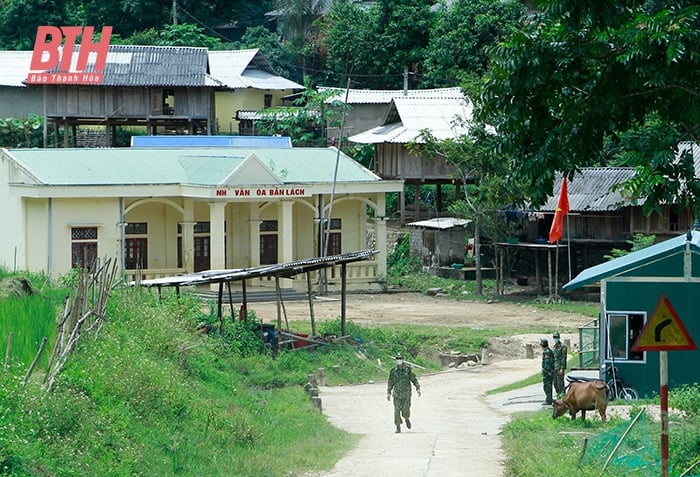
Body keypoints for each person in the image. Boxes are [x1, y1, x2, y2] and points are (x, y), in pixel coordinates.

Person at [387, 352, 421, 433]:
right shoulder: (393, 371)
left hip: (406, 394)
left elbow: (413, 379)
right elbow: (390, 382)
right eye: (397, 359)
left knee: (406, 410)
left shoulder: (408, 370)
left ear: (403, 360)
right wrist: (388, 392)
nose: (399, 361)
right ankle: (398, 426)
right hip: (397, 394)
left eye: (400, 359)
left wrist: (418, 388)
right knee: (396, 411)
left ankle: (406, 418)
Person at [552, 331, 568, 396]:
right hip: (554, 367)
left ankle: (563, 395)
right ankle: (558, 394)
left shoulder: (563, 347)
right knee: (555, 383)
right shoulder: (554, 347)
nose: (555, 338)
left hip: (559, 367)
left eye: (556, 337)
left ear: (559, 337)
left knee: (560, 383)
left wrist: (562, 368)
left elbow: (564, 358)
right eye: (554, 337)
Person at [540, 338, 554, 405]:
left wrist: (548, 371)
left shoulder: (547, 352)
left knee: (547, 386)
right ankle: (549, 398)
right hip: (548, 372)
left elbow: (547, 363)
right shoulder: (549, 351)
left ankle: (549, 399)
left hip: (547, 373)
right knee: (548, 386)